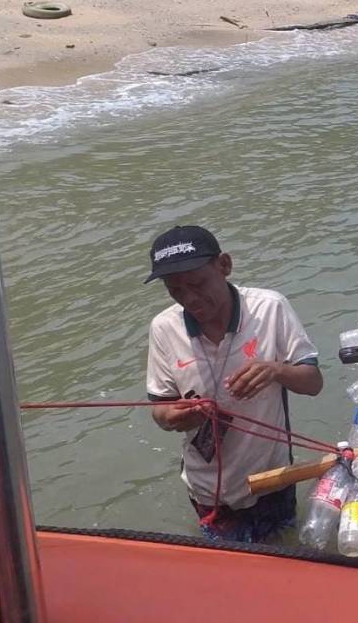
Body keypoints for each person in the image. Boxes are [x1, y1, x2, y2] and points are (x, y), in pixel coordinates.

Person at [143, 225, 323, 542]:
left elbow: (313, 383)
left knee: (283, 558)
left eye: (198, 284)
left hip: (271, 480)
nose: (190, 299)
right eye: (176, 290)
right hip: (206, 490)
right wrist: (175, 417)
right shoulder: (164, 328)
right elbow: (160, 408)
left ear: (224, 265)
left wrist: (275, 371)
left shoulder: (270, 309)